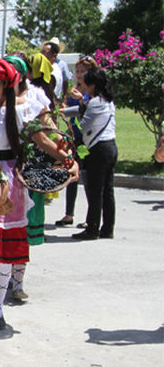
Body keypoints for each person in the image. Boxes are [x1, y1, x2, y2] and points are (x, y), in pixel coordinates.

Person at [0, 59, 77, 330]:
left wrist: (68, 158)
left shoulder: (18, 111)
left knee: (4, 250)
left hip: (10, 181)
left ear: (7, 86)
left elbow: (41, 139)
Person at [64, 68, 118, 240]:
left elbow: (84, 125)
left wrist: (72, 121)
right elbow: (83, 110)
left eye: (86, 83)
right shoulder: (107, 101)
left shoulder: (95, 102)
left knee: (95, 191)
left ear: (93, 85)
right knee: (107, 191)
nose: (84, 87)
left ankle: (92, 228)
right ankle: (107, 228)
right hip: (111, 147)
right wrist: (65, 111)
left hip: (98, 149)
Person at [56, 54, 99, 227]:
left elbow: (89, 111)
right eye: (78, 71)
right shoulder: (74, 89)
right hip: (73, 135)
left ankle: (91, 217)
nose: (80, 74)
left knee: (87, 177)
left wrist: (81, 100)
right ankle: (69, 214)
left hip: (86, 138)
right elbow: (67, 110)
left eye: (84, 71)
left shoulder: (93, 92)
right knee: (70, 174)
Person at [41, 38, 71, 105]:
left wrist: (64, 99)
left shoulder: (59, 67)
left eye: (45, 52)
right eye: (42, 52)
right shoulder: (44, 66)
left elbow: (65, 83)